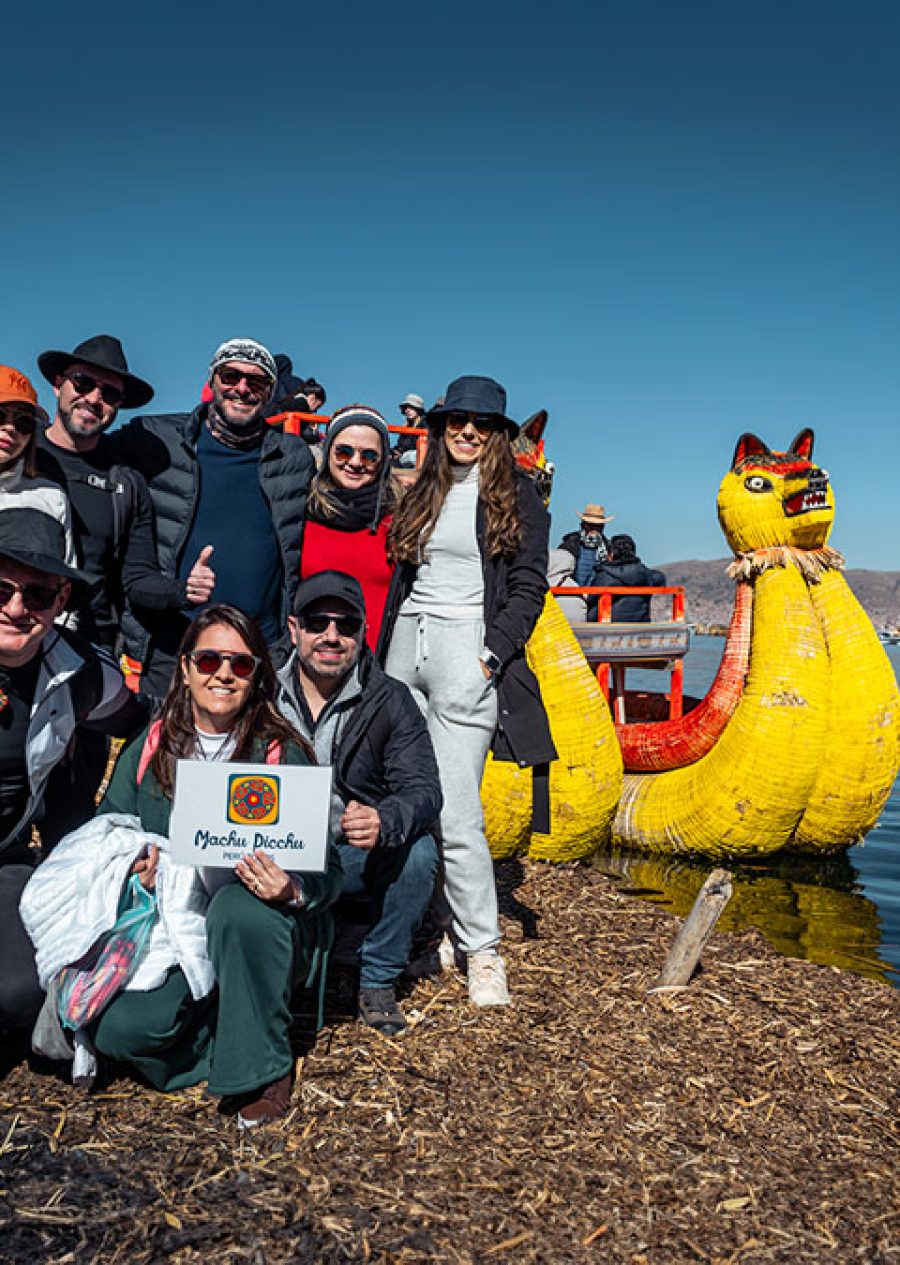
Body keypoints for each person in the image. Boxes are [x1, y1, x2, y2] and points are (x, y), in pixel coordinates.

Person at [87, 604, 343, 1127]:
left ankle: (262, 1067)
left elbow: (328, 869)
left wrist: (291, 889)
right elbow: (108, 828)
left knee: (237, 907)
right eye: (208, 660)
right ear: (184, 667)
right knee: (119, 1031)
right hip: (174, 926)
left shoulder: (279, 752)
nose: (223, 674)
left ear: (257, 676)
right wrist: (134, 861)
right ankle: (227, 1037)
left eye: (241, 664)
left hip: (259, 930)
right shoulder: (154, 745)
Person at [379, 375, 556, 1008]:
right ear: (441, 425)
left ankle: (484, 951)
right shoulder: (422, 492)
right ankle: (429, 931)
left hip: (466, 650)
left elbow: (530, 587)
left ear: (500, 436)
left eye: (483, 424)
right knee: (403, 798)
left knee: (456, 812)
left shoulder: (519, 500)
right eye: (457, 420)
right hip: (406, 647)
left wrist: (490, 655)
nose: (468, 431)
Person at [0, 509, 146, 1039]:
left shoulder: (83, 674)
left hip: (7, 856)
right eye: (1, 590)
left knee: (19, 992)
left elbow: (143, 720)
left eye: (36, 595)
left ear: (61, 600)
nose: (17, 609)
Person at [277, 571, 441, 1035]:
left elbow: (424, 789)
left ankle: (377, 979)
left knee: (417, 851)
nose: (331, 636)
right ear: (294, 629)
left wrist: (382, 818)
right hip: (268, 847)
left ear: (363, 631)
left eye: (346, 625)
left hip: (343, 852)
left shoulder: (391, 699)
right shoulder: (259, 686)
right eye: (318, 622)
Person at [109, 337, 316, 701]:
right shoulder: (156, 438)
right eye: (231, 375)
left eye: (256, 382)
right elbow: (79, 453)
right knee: (165, 752)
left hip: (258, 648)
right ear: (213, 381)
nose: (242, 388)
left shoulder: (294, 457)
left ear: (270, 393)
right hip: (175, 643)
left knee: (249, 756)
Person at [36, 335, 216, 654]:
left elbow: (137, 577)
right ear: (58, 384)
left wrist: (183, 591)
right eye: (82, 383)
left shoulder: (127, 484)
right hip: (11, 628)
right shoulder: (17, 456)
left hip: (87, 646)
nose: (94, 398)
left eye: (110, 393)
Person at [300, 405, 397, 649]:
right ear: (328, 451)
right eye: (343, 452)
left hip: (380, 667)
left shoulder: (398, 523)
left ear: (383, 461)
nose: (355, 463)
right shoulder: (301, 515)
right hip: (314, 664)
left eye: (369, 455)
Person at [0, 367, 74, 559]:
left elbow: (64, 577)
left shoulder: (50, 497)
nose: (9, 428)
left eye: (23, 422)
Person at [587, 534, 667, 622]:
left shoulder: (604, 576)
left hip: (609, 625)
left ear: (612, 554)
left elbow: (591, 601)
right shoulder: (645, 574)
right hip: (640, 623)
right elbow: (660, 578)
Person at [558, 504, 615, 587]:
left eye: (598, 526)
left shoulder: (609, 547)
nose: (594, 529)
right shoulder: (570, 544)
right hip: (573, 595)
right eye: (591, 525)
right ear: (583, 525)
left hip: (597, 596)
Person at [392, 393, 426, 467]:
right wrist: (396, 451)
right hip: (403, 458)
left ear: (418, 409)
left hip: (417, 457)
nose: (407, 410)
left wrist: (402, 452)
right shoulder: (405, 427)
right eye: (405, 408)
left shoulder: (425, 424)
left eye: (411, 407)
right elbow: (401, 445)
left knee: (410, 456)